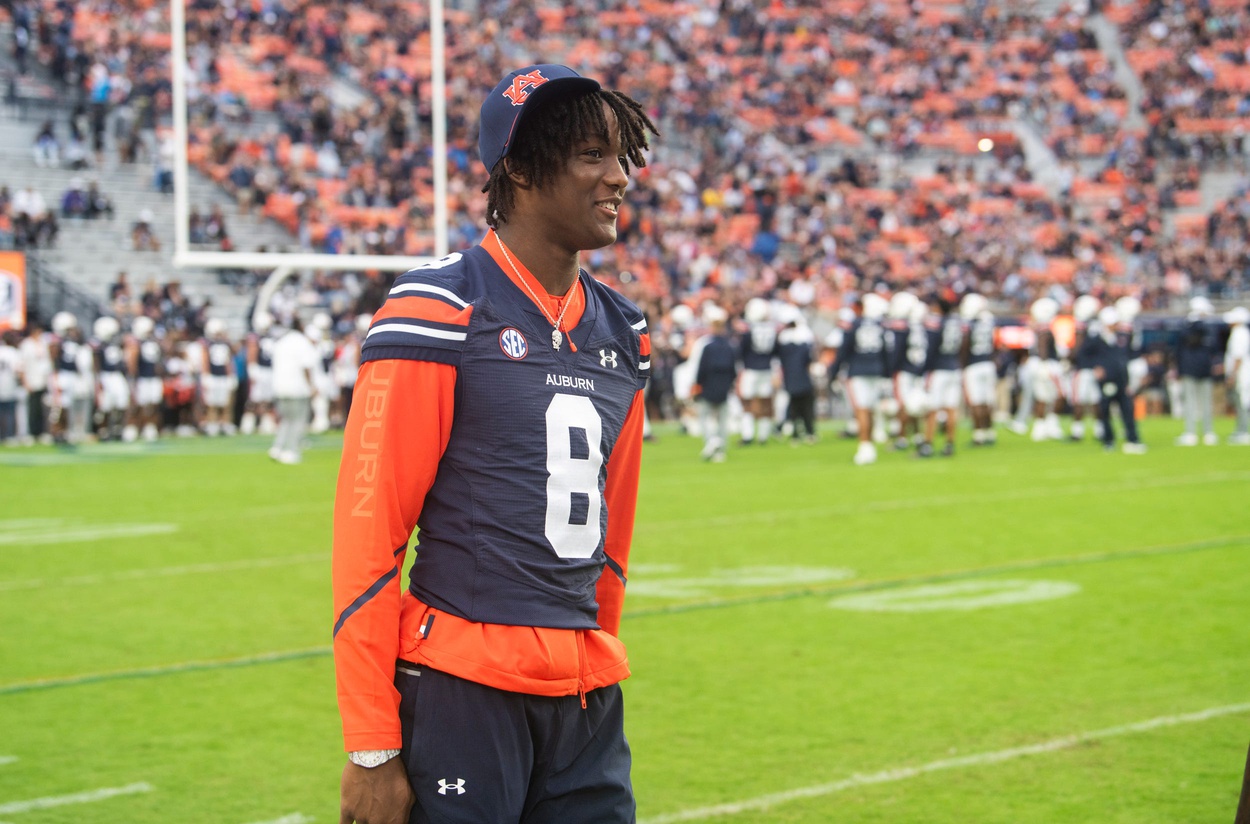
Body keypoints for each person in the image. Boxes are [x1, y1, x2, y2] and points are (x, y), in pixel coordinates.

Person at [332, 64, 658, 824]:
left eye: (620, 155)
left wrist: (590, 647)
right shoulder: (438, 306)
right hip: (461, 690)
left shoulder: (624, 330)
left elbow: (613, 536)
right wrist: (373, 743)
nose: (619, 177)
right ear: (517, 170)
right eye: (591, 156)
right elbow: (369, 533)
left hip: (583, 698)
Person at [690, 304, 739, 462]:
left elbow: (701, 369)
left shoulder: (708, 347)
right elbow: (733, 370)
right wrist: (730, 385)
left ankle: (711, 441)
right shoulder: (729, 347)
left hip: (708, 387)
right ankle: (721, 448)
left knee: (705, 417)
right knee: (723, 420)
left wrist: (698, 385)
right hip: (723, 387)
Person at [268, 315, 319, 464]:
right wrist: (311, 386)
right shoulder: (302, 342)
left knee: (286, 420)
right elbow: (306, 366)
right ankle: (290, 451)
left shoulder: (281, 342)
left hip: (279, 386)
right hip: (297, 387)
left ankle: (277, 447)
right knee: (297, 421)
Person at [1173, 296, 1220, 446]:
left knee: (1195, 403)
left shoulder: (1191, 328)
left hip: (1193, 369)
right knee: (1200, 403)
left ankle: (1197, 432)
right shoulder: (1202, 328)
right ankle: (1201, 432)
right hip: (1200, 368)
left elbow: (1179, 350)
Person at [1225, 306, 1250, 445]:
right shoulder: (1240, 332)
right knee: (1240, 402)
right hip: (1242, 373)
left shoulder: (1239, 334)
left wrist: (1232, 375)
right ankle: (1241, 429)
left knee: (1242, 402)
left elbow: (1238, 357)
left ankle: (1244, 431)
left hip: (1242, 374)